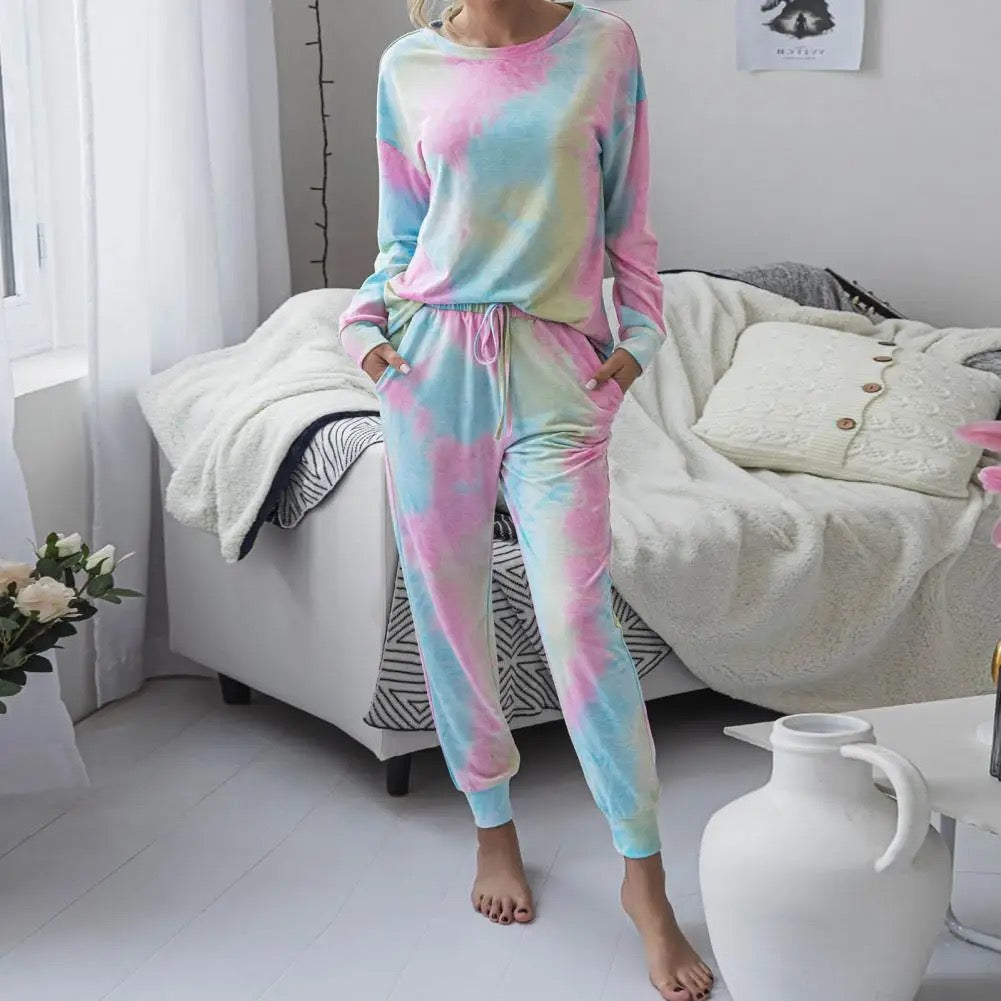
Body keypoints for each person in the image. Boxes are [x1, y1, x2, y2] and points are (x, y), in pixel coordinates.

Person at [339, 3, 714, 998]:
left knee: (576, 619)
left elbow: (629, 223)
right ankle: (491, 827)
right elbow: (400, 235)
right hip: (430, 369)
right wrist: (365, 333)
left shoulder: (602, 46)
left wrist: (637, 342)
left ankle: (643, 877)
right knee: (448, 610)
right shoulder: (407, 64)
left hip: (557, 370)